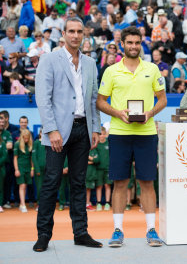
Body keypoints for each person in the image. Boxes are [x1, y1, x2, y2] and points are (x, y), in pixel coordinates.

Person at [34, 17, 102, 252]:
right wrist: (51, 129)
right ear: (63, 33)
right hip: (58, 132)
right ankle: (43, 234)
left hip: (83, 129)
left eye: (79, 31)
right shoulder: (49, 59)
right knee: (51, 182)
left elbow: (93, 99)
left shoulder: (91, 63)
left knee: (78, 182)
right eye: (71, 31)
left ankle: (80, 233)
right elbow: (42, 98)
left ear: (84, 34)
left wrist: (95, 128)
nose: (75, 35)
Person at [96, 26, 167, 247]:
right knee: (120, 183)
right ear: (122, 45)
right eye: (130, 43)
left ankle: (151, 230)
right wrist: (117, 113)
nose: (134, 46)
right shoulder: (111, 71)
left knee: (147, 182)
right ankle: (117, 230)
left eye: (137, 43)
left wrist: (150, 113)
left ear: (141, 44)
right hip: (119, 133)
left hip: (146, 133)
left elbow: (162, 99)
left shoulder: (153, 69)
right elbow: (100, 101)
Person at [13, 129, 34, 213]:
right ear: (22, 137)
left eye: (27, 138)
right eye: (24, 138)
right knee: (22, 186)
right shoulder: (17, 144)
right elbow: (15, 158)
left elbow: (31, 158)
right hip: (20, 167)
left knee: (25, 186)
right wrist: (16, 170)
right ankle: (23, 204)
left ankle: (22, 204)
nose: (26, 140)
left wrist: (32, 169)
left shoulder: (30, 145)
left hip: (28, 168)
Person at [95, 127, 112, 211]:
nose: (101, 136)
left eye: (103, 134)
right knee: (99, 186)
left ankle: (107, 203)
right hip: (98, 169)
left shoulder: (109, 144)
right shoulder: (96, 144)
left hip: (108, 168)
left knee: (107, 185)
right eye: (100, 134)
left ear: (105, 135)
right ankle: (98, 203)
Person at [32, 129, 45, 211]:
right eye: (41, 132)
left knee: (48, 188)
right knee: (40, 188)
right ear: (40, 133)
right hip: (39, 170)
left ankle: (47, 204)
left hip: (48, 170)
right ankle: (39, 204)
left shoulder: (49, 143)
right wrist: (36, 169)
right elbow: (34, 157)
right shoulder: (36, 142)